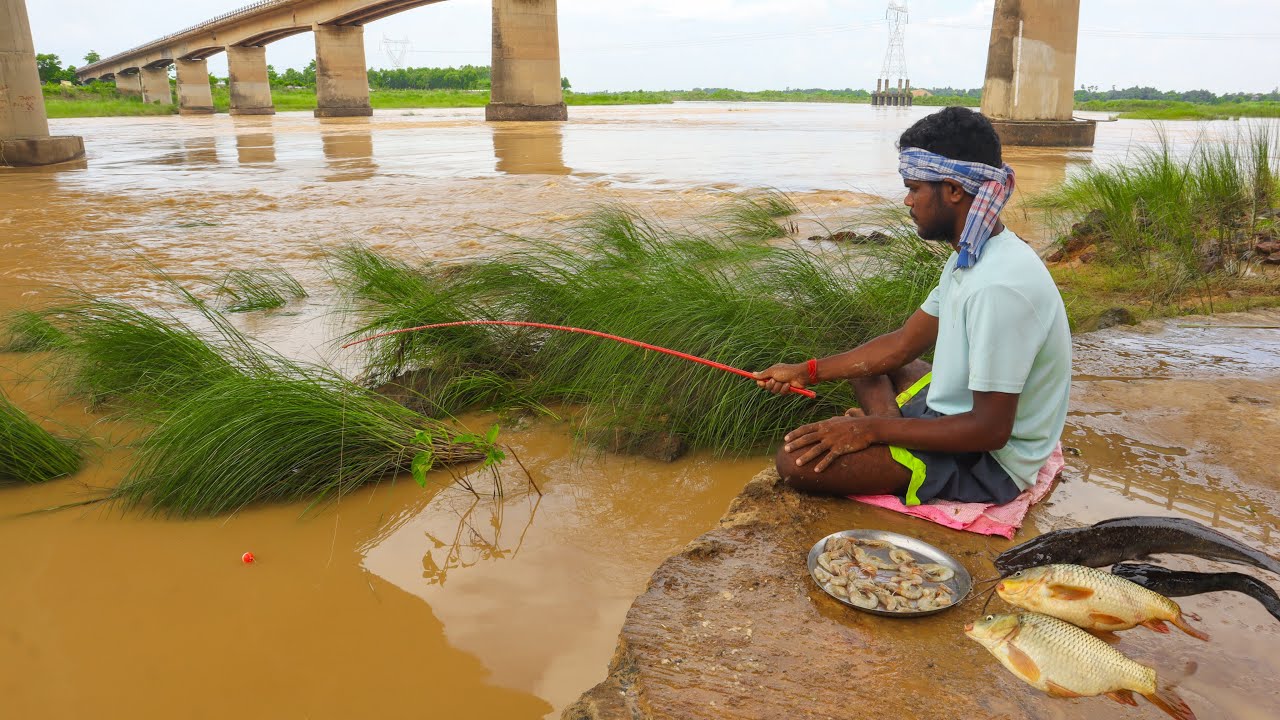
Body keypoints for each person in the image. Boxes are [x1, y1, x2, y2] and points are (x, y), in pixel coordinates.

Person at [753, 106, 1070, 507]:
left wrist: (870, 430)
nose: (907, 200)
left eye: (914, 188)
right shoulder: (973, 254)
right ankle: (894, 437)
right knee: (868, 365)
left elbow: (990, 431)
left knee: (794, 462)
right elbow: (903, 344)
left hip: (990, 459)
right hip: (962, 417)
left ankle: (892, 440)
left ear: (953, 190)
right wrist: (806, 371)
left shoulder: (999, 287)